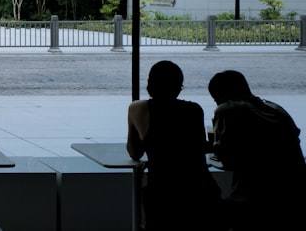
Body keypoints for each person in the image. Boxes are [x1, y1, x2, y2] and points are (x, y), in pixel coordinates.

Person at [126, 60, 220, 231]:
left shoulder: (137, 108)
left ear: (150, 84)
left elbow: (135, 153)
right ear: (178, 86)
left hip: (162, 192)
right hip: (199, 189)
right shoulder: (194, 110)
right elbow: (196, 148)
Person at [208, 69, 306, 230]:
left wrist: (215, 145)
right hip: (294, 197)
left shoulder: (228, 109)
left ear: (220, 96)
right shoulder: (277, 110)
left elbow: (227, 161)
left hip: (253, 200)